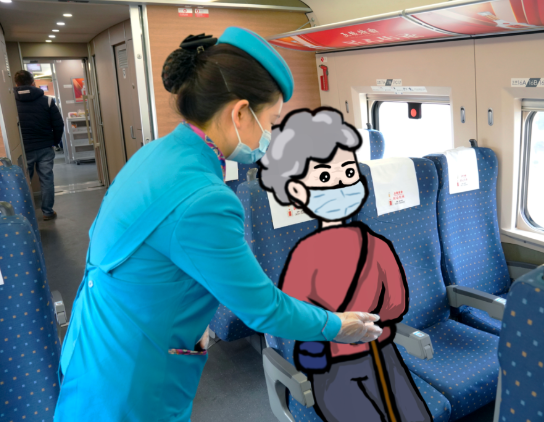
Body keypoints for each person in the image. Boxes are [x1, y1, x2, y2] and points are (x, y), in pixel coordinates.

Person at [53, 29, 382, 422]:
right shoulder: (206, 199)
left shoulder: (156, 153)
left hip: (94, 342)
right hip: (131, 383)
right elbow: (264, 309)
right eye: (271, 120)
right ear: (240, 113)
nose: (271, 135)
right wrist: (337, 325)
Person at [259, 107, 433, 422]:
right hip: (381, 352)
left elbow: (294, 316)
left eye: (348, 173)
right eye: (326, 177)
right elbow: (395, 305)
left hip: (330, 365)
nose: (341, 185)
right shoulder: (377, 244)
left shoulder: (303, 255)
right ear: (296, 190)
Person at [14, 70, 63, 221]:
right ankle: (47, 212)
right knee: (46, 180)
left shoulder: (10, 103)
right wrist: (54, 142)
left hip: (24, 149)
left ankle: (23, 215)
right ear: (33, 82)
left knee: (23, 182)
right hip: (45, 147)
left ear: (16, 84)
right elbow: (58, 125)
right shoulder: (47, 101)